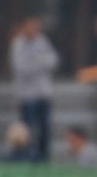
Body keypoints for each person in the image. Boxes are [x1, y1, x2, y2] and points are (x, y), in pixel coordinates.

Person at [9, 16, 60, 162]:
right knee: (27, 129)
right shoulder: (18, 44)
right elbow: (21, 68)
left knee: (45, 129)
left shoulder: (42, 41)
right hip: (27, 95)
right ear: (24, 27)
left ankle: (43, 158)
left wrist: (36, 63)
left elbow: (54, 61)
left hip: (43, 93)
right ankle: (26, 157)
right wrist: (40, 63)